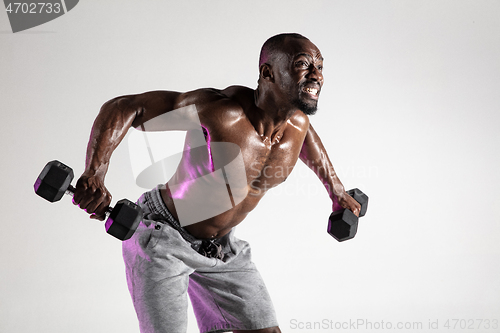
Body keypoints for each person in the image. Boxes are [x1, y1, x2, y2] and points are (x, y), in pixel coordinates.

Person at [72, 33, 361, 333]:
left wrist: (336, 190)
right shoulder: (221, 113)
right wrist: (95, 172)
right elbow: (127, 107)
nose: (317, 75)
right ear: (268, 73)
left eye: (320, 67)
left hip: (222, 249)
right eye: (303, 65)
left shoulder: (297, 123)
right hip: (164, 237)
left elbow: (307, 140)